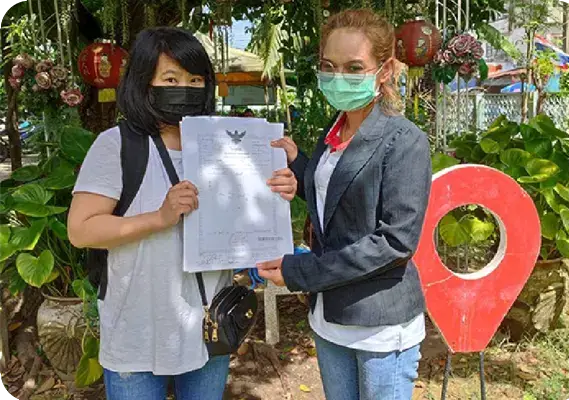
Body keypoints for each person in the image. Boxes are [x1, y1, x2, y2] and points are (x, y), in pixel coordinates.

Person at [67, 27, 297, 400]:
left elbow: (247, 220)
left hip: (209, 325)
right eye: (170, 78)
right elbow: (80, 230)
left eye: (195, 80)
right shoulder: (117, 145)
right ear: (144, 82)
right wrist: (158, 218)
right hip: (136, 331)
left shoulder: (226, 144)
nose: (185, 89)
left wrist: (279, 188)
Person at [257, 9, 432, 400]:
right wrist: (298, 168)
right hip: (329, 318)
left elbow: (395, 243)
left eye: (355, 67)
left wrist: (302, 271)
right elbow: (339, 197)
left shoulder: (404, 141)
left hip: (378, 323)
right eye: (328, 66)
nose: (339, 78)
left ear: (384, 70)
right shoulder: (336, 130)